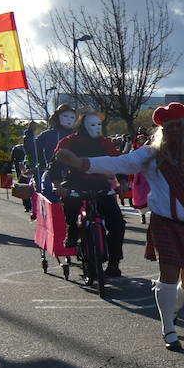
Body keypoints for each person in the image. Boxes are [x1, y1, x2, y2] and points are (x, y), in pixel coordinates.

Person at [60, 102, 184, 349]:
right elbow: (118, 163)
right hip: (165, 224)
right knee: (168, 276)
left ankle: (175, 306)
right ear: (163, 130)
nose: (175, 131)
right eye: (169, 127)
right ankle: (168, 328)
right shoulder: (150, 154)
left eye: (179, 126)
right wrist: (81, 163)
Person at [51, 111, 127, 278]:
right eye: (92, 124)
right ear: (83, 126)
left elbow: (118, 163)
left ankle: (114, 262)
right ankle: (72, 229)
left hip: (101, 184)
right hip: (76, 182)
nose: (97, 128)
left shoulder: (105, 143)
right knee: (70, 202)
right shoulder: (69, 142)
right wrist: (58, 186)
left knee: (117, 223)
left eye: (99, 125)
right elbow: (55, 165)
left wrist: (123, 182)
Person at [35, 104, 79, 199]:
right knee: (47, 188)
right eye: (65, 116)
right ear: (57, 118)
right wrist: (30, 132)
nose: (68, 119)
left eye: (72, 117)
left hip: (76, 171)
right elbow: (33, 150)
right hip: (52, 171)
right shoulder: (46, 135)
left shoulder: (80, 135)